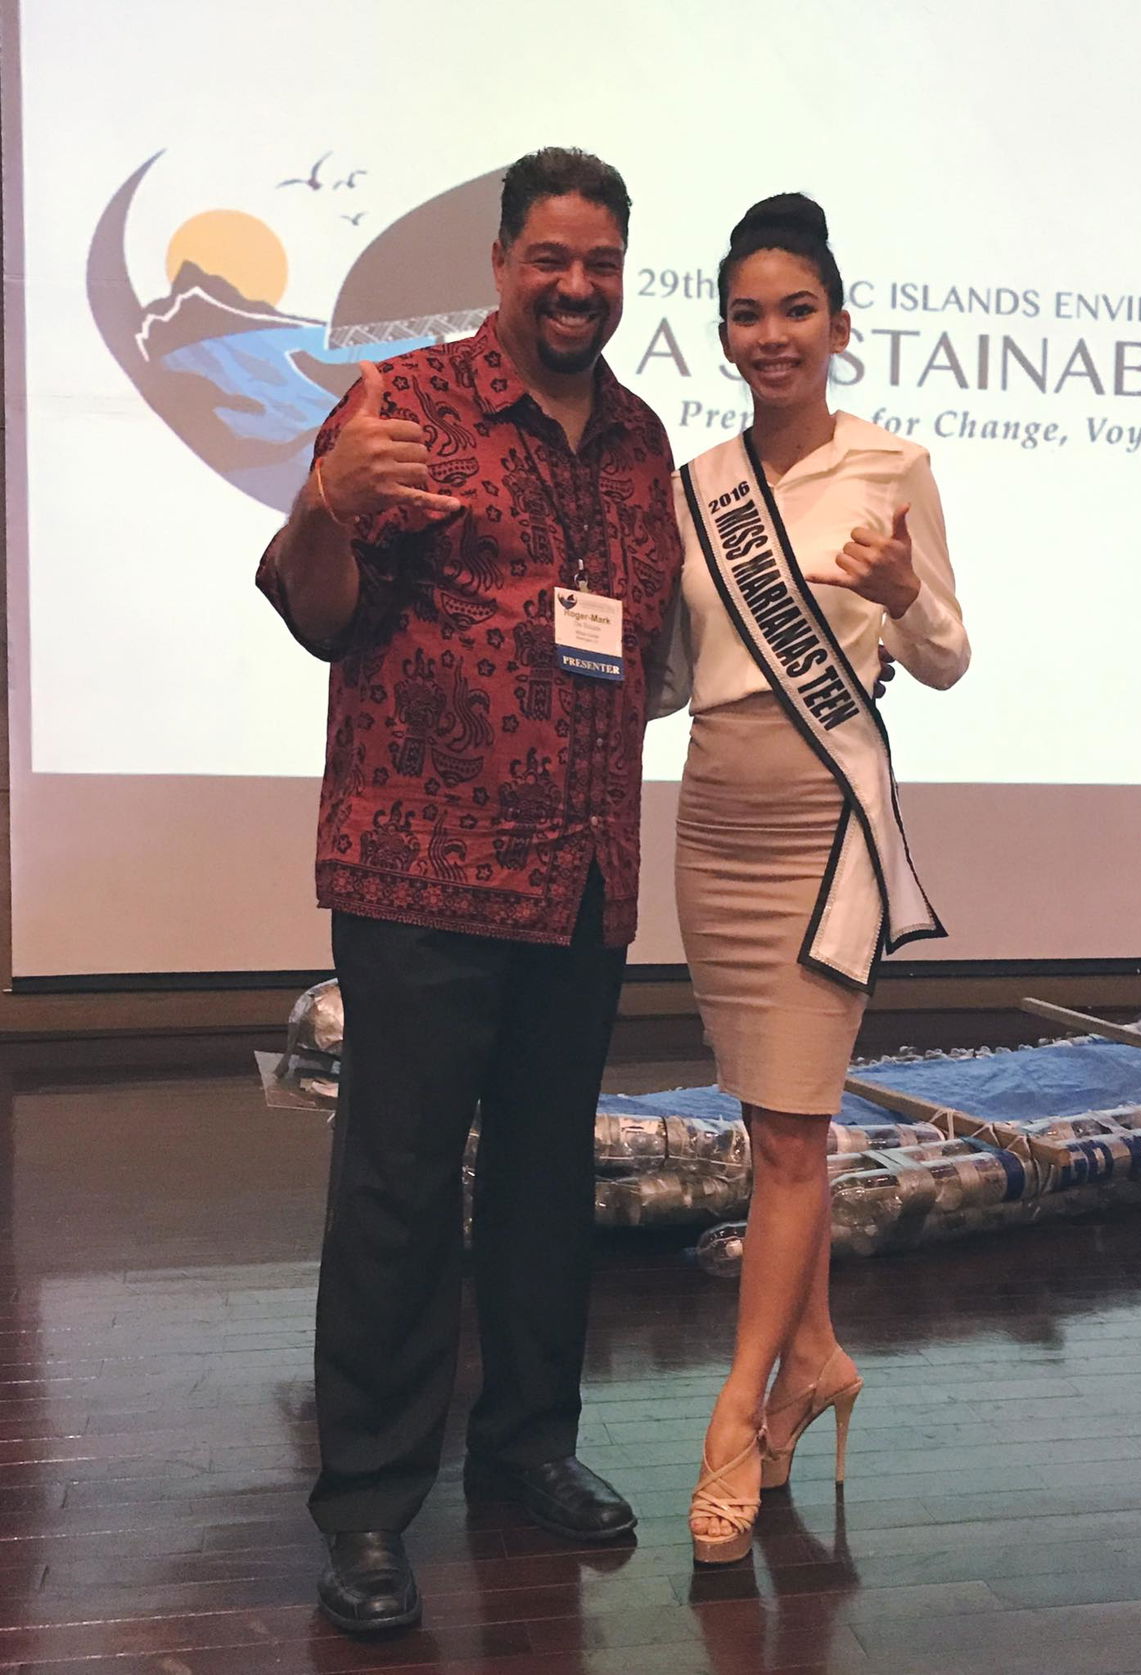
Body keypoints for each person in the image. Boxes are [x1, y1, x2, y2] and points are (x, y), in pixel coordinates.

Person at [255, 147, 682, 1635]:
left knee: (548, 1182)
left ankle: (527, 1448)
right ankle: (370, 1507)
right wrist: (323, 503)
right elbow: (316, 612)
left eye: (601, 263)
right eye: (550, 258)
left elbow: (643, 646)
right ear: (502, 262)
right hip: (422, 872)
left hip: (580, 873)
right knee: (398, 1188)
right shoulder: (404, 406)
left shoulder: (638, 441)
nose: (576, 286)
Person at [655, 194, 970, 1564]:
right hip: (713, 817)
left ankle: (735, 1416)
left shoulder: (893, 465)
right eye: (748, 314)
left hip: (822, 823)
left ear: (840, 327)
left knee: (792, 1135)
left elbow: (947, 656)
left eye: (797, 311)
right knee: (775, 1124)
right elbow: (676, 677)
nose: (772, 334)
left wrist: (901, 594)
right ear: (724, 334)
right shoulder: (696, 485)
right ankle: (820, 1357)